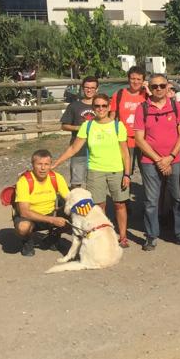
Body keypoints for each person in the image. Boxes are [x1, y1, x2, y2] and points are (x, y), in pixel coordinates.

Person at [52, 94, 132, 248]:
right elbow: (74, 148)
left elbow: (125, 152)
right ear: (93, 108)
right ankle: (102, 235)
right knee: (99, 206)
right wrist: (57, 162)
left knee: (120, 204)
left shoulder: (117, 126)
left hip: (117, 170)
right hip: (95, 170)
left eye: (104, 106)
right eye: (97, 106)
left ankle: (123, 236)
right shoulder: (87, 126)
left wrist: (127, 174)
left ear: (109, 107)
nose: (100, 109)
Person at [134, 74, 180, 250]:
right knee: (151, 200)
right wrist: (159, 160)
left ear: (168, 87)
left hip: (173, 159)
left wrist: (170, 157)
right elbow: (139, 139)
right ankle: (151, 235)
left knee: (178, 197)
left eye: (162, 85)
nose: (158, 89)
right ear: (149, 88)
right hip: (150, 161)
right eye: (154, 86)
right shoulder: (141, 108)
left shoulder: (176, 106)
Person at [11, 149, 70, 257]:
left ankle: (53, 237)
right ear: (33, 165)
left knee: (76, 217)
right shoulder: (24, 181)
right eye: (39, 164)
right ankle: (27, 241)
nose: (43, 168)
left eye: (46, 164)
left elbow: (70, 199)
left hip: (51, 213)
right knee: (23, 227)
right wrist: (52, 220)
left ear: (50, 165)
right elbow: (24, 212)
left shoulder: (56, 177)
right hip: (30, 217)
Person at [59, 75, 99, 187]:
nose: (89, 90)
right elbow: (64, 126)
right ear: (82, 88)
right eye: (87, 87)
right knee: (76, 182)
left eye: (92, 87)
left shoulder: (101, 106)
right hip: (78, 150)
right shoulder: (74, 106)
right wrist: (79, 128)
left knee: (95, 184)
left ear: (97, 89)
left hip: (97, 151)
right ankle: (76, 203)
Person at [109, 65, 147, 171]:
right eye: (133, 78)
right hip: (125, 139)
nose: (135, 82)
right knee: (126, 170)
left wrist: (149, 90)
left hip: (145, 139)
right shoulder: (119, 94)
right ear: (128, 79)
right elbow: (112, 116)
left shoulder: (147, 95)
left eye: (139, 79)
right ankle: (126, 187)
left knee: (147, 171)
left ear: (143, 80)